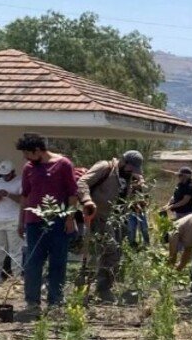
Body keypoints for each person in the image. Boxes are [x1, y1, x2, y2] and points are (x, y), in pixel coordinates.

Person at [17, 134, 79, 315]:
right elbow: (25, 196)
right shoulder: (29, 168)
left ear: (38, 150)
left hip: (58, 221)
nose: (26, 158)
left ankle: (55, 302)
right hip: (34, 222)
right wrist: (20, 221)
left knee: (58, 262)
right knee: (32, 262)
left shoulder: (63, 164)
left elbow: (72, 194)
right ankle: (32, 302)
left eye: (28, 153)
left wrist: (69, 219)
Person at [78, 150, 145, 303]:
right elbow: (82, 182)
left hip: (117, 219)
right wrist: (87, 200)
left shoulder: (129, 176)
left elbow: (124, 195)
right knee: (108, 251)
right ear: (123, 162)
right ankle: (97, 290)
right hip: (99, 217)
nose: (131, 172)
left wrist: (137, 191)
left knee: (115, 254)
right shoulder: (105, 168)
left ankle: (102, 289)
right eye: (130, 168)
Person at [0, 160, 23, 284]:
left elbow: (23, 200)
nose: (4, 176)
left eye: (7, 174)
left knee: (15, 250)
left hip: (13, 219)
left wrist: (8, 194)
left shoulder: (20, 181)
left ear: (13, 172)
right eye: (2, 174)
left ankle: (16, 277)